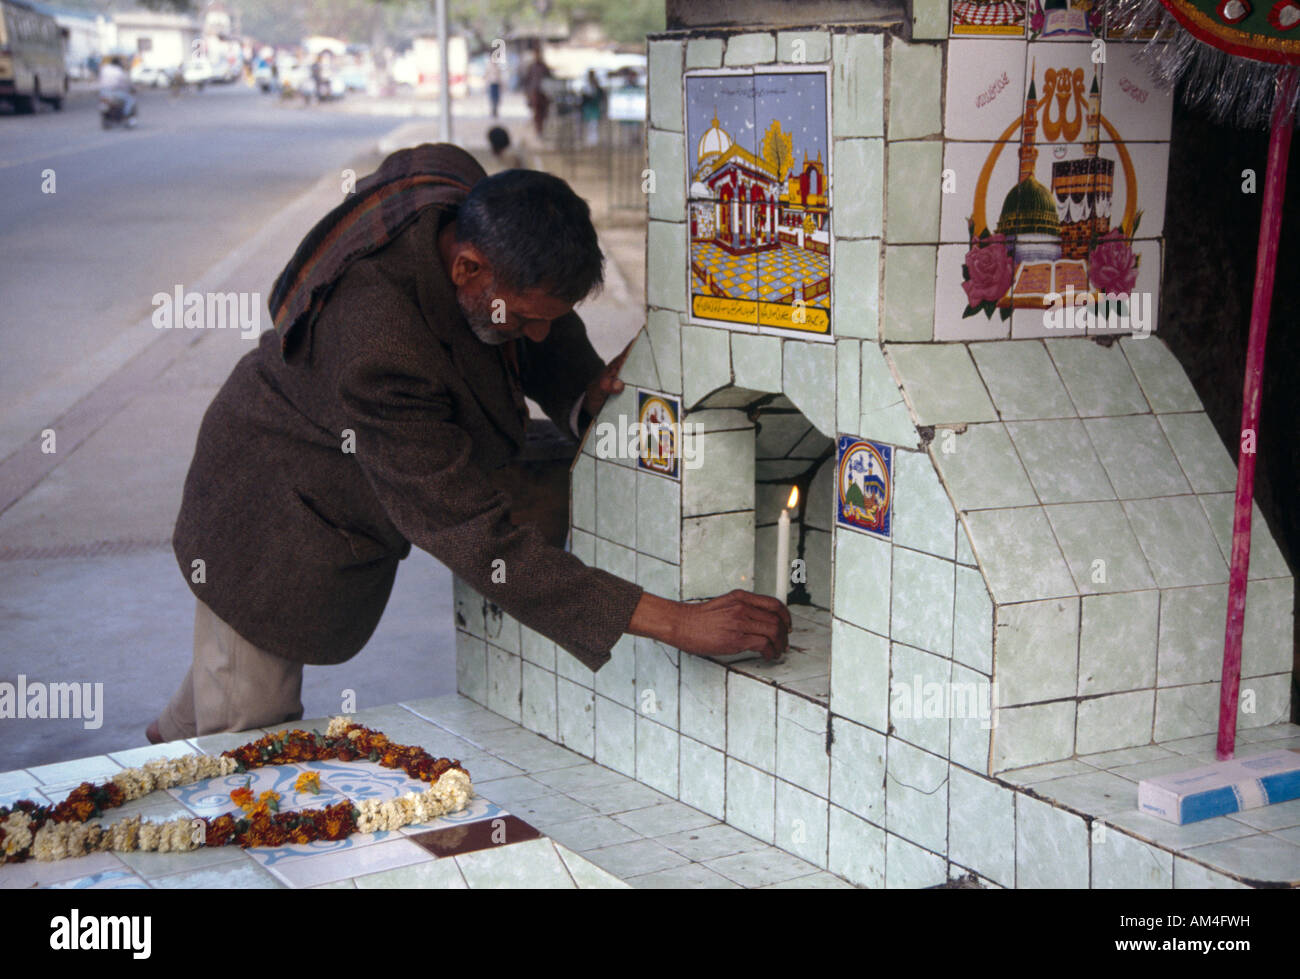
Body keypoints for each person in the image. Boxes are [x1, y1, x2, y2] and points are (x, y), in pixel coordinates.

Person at [146, 144, 788, 742]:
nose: (537, 337)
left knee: (213, 693)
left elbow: (537, 327)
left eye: (551, 318)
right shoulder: (379, 346)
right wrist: (680, 622)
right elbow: (473, 534)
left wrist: (585, 392)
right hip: (274, 515)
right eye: (528, 319)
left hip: (308, 471)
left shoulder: (455, 188)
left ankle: (163, 758)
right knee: (249, 731)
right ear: (466, 267)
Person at [521, 40, 551, 139]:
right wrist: (527, 94)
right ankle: (538, 132)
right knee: (537, 114)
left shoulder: (544, 67)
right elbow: (526, 81)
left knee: (543, 114)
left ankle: (541, 131)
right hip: (534, 94)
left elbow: (550, 80)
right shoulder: (531, 67)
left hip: (543, 94)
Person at [97, 56, 135, 123]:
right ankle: (125, 114)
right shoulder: (119, 71)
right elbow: (125, 82)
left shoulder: (105, 69)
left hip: (103, 92)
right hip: (115, 92)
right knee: (130, 100)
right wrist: (131, 88)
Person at [580, 68, 605, 146]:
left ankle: (593, 141)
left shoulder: (596, 86)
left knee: (593, 125)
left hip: (594, 108)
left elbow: (600, 96)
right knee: (589, 125)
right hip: (588, 108)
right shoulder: (586, 86)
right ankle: (589, 141)